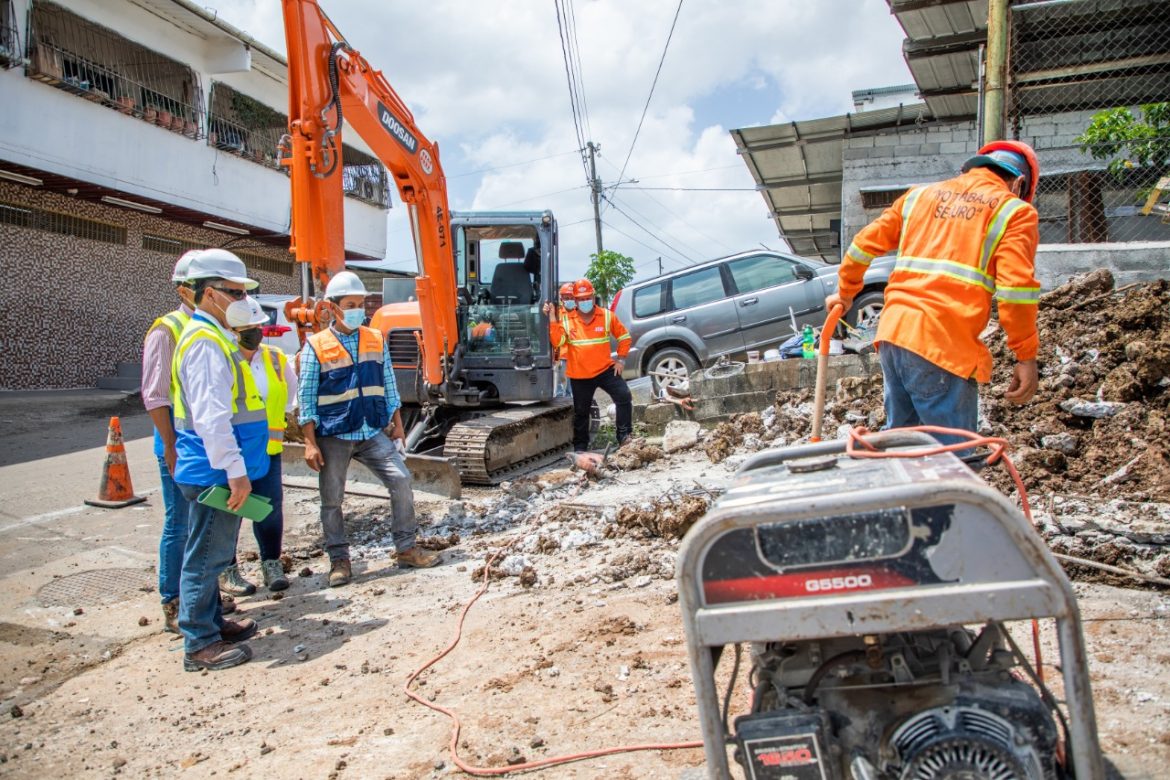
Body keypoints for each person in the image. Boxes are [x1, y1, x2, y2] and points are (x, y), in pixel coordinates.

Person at [827, 140, 1043, 445]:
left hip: (894, 336)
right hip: (943, 345)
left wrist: (846, 292)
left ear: (971, 168)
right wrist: (1026, 356)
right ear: (1019, 183)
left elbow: (862, 245)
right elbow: (1016, 292)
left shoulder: (919, 197)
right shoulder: (1014, 212)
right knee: (955, 459)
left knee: (902, 449)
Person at [298, 271, 440, 587]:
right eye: (351, 304)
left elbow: (389, 386)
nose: (358, 309)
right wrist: (309, 442)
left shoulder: (374, 338)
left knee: (401, 480)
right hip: (335, 433)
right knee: (332, 499)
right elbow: (306, 398)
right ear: (332, 308)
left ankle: (406, 548)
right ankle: (339, 560)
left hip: (372, 431)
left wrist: (399, 427)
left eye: (361, 304)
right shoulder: (317, 346)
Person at [171, 249, 270, 671]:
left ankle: (212, 621)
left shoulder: (212, 337)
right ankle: (199, 643)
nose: (242, 300)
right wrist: (236, 474)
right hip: (212, 469)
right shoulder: (206, 344)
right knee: (206, 556)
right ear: (210, 294)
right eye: (234, 292)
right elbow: (213, 419)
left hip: (213, 466)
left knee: (214, 548)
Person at [217, 296, 297, 595]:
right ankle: (227, 569)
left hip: (267, 448)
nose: (255, 331)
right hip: (232, 449)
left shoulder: (274, 358)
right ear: (232, 329)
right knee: (230, 510)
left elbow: (289, 395)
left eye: (258, 325)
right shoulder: (223, 357)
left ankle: (272, 563)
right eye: (247, 327)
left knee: (269, 509)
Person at [142, 250, 198, 632]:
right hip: (179, 443)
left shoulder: (215, 327)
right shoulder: (167, 329)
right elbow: (155, 395)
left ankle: (199, 596)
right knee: (179, 523)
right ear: (183, 289)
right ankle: (173, 602)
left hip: (203, 444)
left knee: (204, 523)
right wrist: (170, 445)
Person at [545, 278, 633, 452]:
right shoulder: (568, 320)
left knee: (623, 396)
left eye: (588, 298)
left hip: (605, 370)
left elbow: (624, 337)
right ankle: (580, 447)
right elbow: (557, 341)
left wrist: (621, 360)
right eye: (581, 299)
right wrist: (552, 317)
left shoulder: (606, 316)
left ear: (593, 298)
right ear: (575, 301)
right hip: (580, 375)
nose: (585, 302)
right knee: (581, 413)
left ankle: (624, 436)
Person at [552, 282, 575, 398]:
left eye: (571, 297)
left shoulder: (579, 313)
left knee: (573, 387)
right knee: (561, 383)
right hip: (561, 354)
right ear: (561, 298)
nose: (569, 300)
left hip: (575, 355)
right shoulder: (557, 313)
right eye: (566, 297)